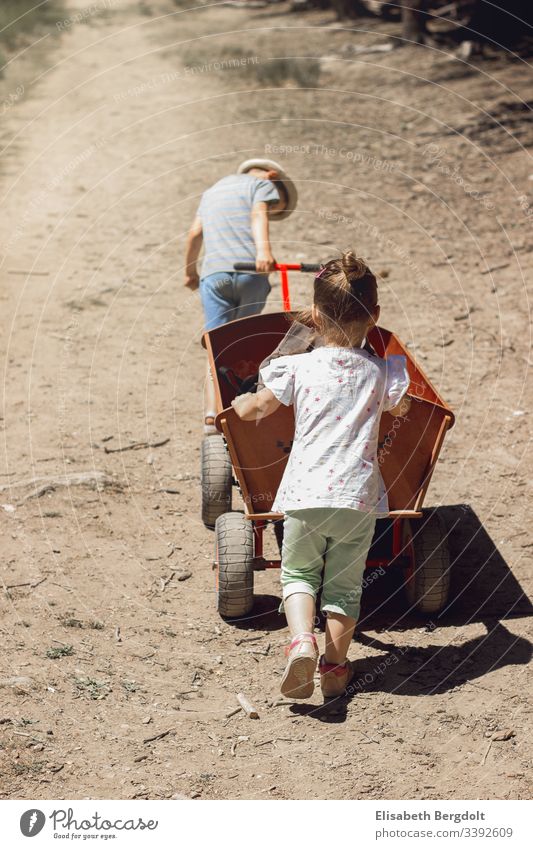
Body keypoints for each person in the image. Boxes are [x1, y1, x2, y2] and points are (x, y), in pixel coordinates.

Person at [231, 251, 411, 700]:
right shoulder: (383, 373)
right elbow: (402, 405)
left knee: (297, 575)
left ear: (312, 315)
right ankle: (334, 669)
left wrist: (240, 406)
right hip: (358, 499)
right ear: (376, 317)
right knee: (345, 589)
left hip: (306, 494)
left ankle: (301, 642)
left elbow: (258, 408)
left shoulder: (296, 366)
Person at [184, 158, 298, 433]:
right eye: (275, 204)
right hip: (249, 272)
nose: (270, 209)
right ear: (271, 176)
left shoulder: (211, 192)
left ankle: (211, 416)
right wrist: (263, 252)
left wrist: (189, 272)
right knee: (242, 343)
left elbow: (194, 233)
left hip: (214, 276)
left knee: (217, 344)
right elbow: (258, 214)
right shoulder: (260, 184)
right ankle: (241, 409)